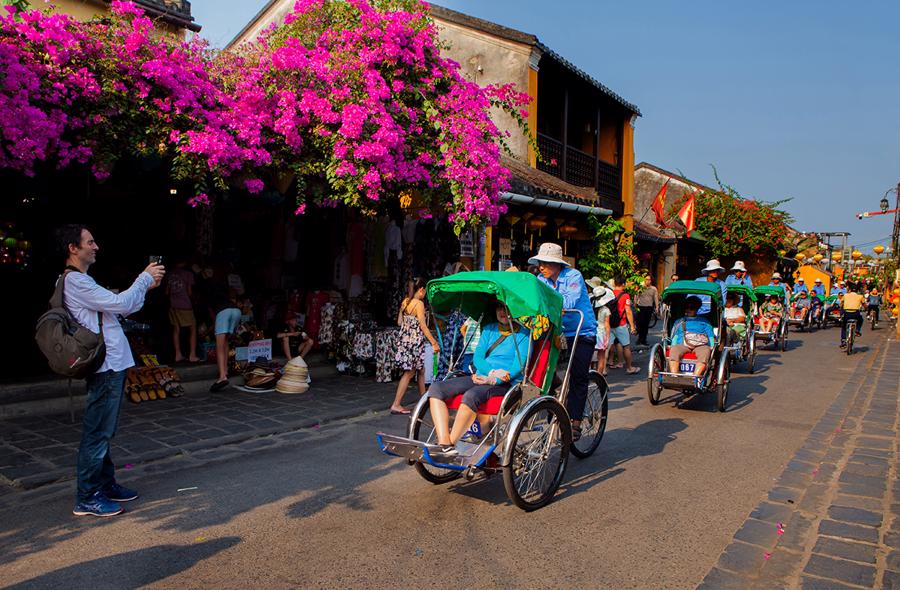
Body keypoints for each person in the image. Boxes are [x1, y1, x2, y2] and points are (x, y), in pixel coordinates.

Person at [55, 224, 165, 517]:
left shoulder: (84, 282)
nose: (96, 246)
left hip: (112, 363)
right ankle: (88, 495)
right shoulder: (76, 282)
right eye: (90, 242)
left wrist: (145, 286)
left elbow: (122, 308)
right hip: (104, 365)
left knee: (104, 429)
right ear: (73, 248)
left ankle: (105, 483)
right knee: (97, 431)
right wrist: (143, 279)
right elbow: (120, 302)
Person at [425, 301, 530, 456]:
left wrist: (496, 379)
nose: (503, 311)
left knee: (471, 395)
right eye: (500, 307)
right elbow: (478, 358)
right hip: (482, 375)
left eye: (507, 308)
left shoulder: (523, 334)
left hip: (505, 382)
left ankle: (450, 444)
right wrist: (491, 373)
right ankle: (445, 443)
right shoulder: (489, 329)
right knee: (436, 389)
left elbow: (518, 365)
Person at [529, 242, 598, 440]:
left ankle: (575, 422)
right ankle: (556, 394)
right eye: (540, 262)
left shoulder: (573, 276)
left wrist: (546, 302)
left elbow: (568, 302)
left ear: (558, 264)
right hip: (557, 331)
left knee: (578, 375)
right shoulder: (541, 279)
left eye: (546, 263)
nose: (541, 266)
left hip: (582, 331)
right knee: (541, 369)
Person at [390, 277, 439, 414]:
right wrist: (434, 343)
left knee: (421, 370)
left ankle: (424, 399)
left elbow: (400, 322)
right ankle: (396, 404)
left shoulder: (405, 302)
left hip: (406, 341)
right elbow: (423, 326)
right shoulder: (419, 304)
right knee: (409, 372)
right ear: (421, 290)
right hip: (414, 343)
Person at [206, 268, 241, 392]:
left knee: (219, 346)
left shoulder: (209, 292)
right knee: (226, 342)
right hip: (236, 311)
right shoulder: (224, 288)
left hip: (223, 312)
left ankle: (222, 377)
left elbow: (213, 315)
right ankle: (225, 370)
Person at [667, 296, 716, 379]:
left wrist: (712, 346)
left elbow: (710, 334)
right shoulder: (679, 321)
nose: (688, 310)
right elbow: (675, 335)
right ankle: (674, 376)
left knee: (705, 352)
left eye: (691, 308)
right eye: (686, 307)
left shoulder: (704, 321)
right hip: (683, 344)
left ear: (697, 309)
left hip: (701, 345)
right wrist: (672, 345)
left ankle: (695, 377)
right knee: (674, 350)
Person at [165, 258, 199, 363]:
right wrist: (195, 299)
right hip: (185, 305)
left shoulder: (169, 274)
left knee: (176, 329)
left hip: (173, 305)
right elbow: (189, 292)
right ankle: (192, 355)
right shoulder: (188, 274)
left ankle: (178, 354)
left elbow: (167, 292)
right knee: (193, 328)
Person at [607, 275, 639, 375]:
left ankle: (602, 369)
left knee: (606, 347)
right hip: (621, 324)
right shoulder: (625, 296)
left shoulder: (609, 294)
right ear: (623, 284)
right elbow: (628, 311)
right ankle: (629, 368)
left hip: (609, 324)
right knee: (626, 347)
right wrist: (632, 326)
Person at [592, 285, 614, 375]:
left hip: (591, 332)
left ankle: (588, 374)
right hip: (601, 333)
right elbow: (607, 325)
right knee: (601, 356)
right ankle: (599, 376)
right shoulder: (606, 310)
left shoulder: (591, 307)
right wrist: (608, 339)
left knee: (590, 356)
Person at [635, 276, 659, 346]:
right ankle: (639, 338)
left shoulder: (654, 289)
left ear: (651, 281)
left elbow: (656, 298)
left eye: (649, 280)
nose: (647, 281)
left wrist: (657, 307)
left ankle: (643, 339)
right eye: (646, 279)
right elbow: (636, 295)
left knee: (645, 325)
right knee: (639, 323)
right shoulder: (640, 287)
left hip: (649, 308)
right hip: (640, 307)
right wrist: (635, 303)